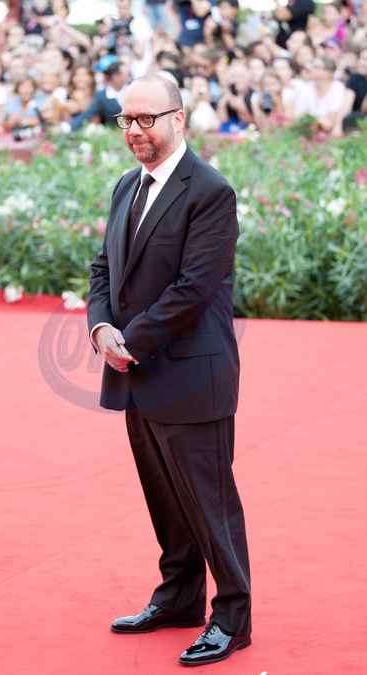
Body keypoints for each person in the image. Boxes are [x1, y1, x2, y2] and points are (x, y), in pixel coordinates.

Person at [87, 73, 252, 667]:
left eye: (146, 119)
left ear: (178, 119)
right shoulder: (125, 186)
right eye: (125, 119)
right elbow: (103, 269)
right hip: (135, 372)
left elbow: (194, 288)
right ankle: (180, 596)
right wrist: (101, 329)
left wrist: (130, 340)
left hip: (190, 374)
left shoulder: (210, 191)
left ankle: (232, 618)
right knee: (165, 498)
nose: (133, 130)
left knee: (210, 504)